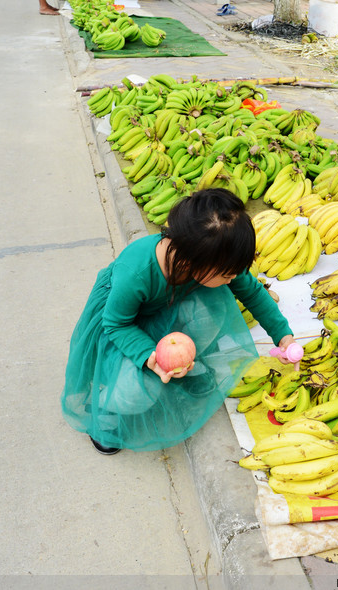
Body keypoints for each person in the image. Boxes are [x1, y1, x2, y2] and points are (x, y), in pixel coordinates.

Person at [61, 189, 295, 455]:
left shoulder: (213, 258)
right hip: (124, 326)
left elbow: (251, 290)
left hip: (164, 308)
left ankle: (187, 361)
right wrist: (152, 358)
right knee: (142, 387)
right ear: (189, 261)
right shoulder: (136, 272)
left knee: (212, 303)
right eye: (227, 275)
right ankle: (107, 406)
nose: (233, 279)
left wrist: (283, 335)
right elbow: (116, 325)